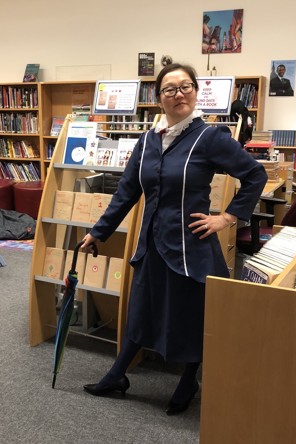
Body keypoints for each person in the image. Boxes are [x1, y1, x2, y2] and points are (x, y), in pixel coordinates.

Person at [81, 63, 268, 415]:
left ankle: (188, 379)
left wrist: (226, 217)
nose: (178, 94)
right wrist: (98, 232)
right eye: (170, 89)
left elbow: (254, 174)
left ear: (196, 92)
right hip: (152, 243)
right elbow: (126, 192)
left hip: (190, 247)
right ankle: (118, 374)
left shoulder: (210, 137)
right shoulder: (148, 141)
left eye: (186, 86)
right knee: (143, 309)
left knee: (191, 315)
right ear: (159, 99)